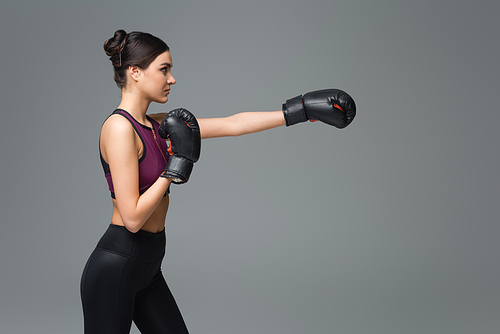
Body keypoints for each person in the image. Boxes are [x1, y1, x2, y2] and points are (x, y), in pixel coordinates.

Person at [80, 29, 356, 334]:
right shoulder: (118, 128)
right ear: (135, 72)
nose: (172, 79)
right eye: (164, 69)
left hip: (147, 266)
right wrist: (173, 169)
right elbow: (132, 218)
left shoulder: (158, 124)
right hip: (116, 268)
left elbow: (231, 124)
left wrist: (298, 111)